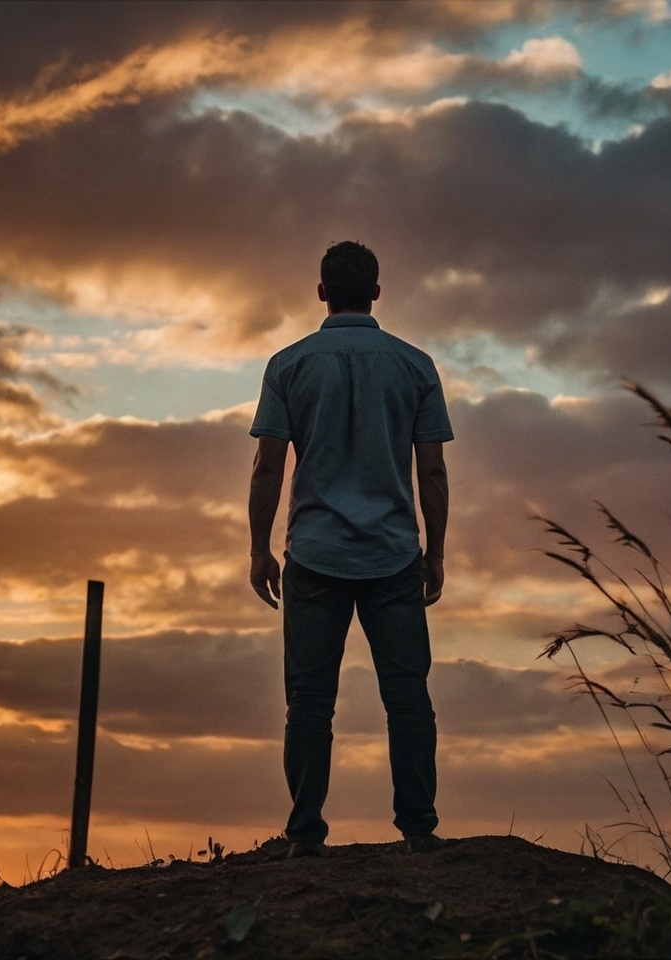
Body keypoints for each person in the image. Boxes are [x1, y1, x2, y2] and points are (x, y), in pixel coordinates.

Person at [248, 240, 453, 858]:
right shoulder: (415, 366)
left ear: (321, 293)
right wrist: (435, 553)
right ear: (377, 293)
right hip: (393, 553)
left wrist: (259, 548)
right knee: (407, 694)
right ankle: (419, 828)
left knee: (308, 700)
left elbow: (267, 467)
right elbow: (433, 472)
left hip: (313, 555)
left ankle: (305, 834)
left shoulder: (288, 365)